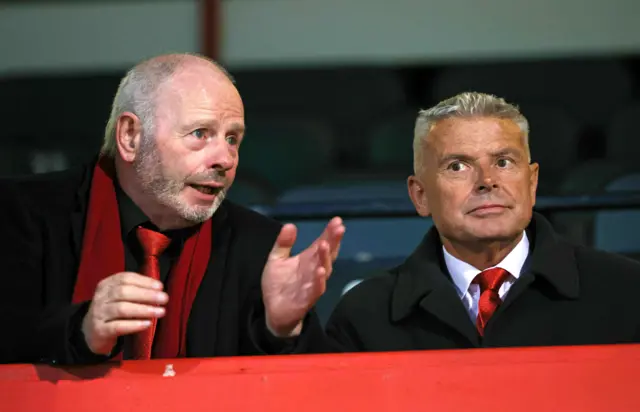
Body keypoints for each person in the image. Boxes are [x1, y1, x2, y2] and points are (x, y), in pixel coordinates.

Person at [0, 53, 344, 364]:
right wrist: (83, 331)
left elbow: (314, 388)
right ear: (131, 137)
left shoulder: (258, 247)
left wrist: (281, 330)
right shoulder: (23, 214)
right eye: (200, 133)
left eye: (232, 138)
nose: (225, 158)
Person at [322, 91, 640, 352]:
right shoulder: (366, 314)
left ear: (531, 184)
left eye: (503, 162)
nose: (487, 181)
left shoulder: (625, 290)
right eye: (458, 166)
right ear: (420, 196)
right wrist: (282, 330)